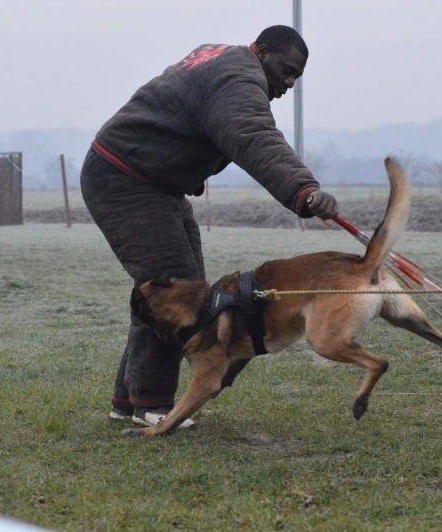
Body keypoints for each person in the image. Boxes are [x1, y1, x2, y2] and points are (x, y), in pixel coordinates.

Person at [81, 25, 339, 429]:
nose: (289, 83)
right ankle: (152, 405)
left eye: (297, 77)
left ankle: (128, 401)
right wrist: (303, 190)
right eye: (286, 70)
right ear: (263, 52)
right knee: (175, 295)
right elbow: (253, 136)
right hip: (126, 179)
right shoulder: (238, 80)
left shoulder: (225, 59)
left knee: (178, 289)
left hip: (152, 181)